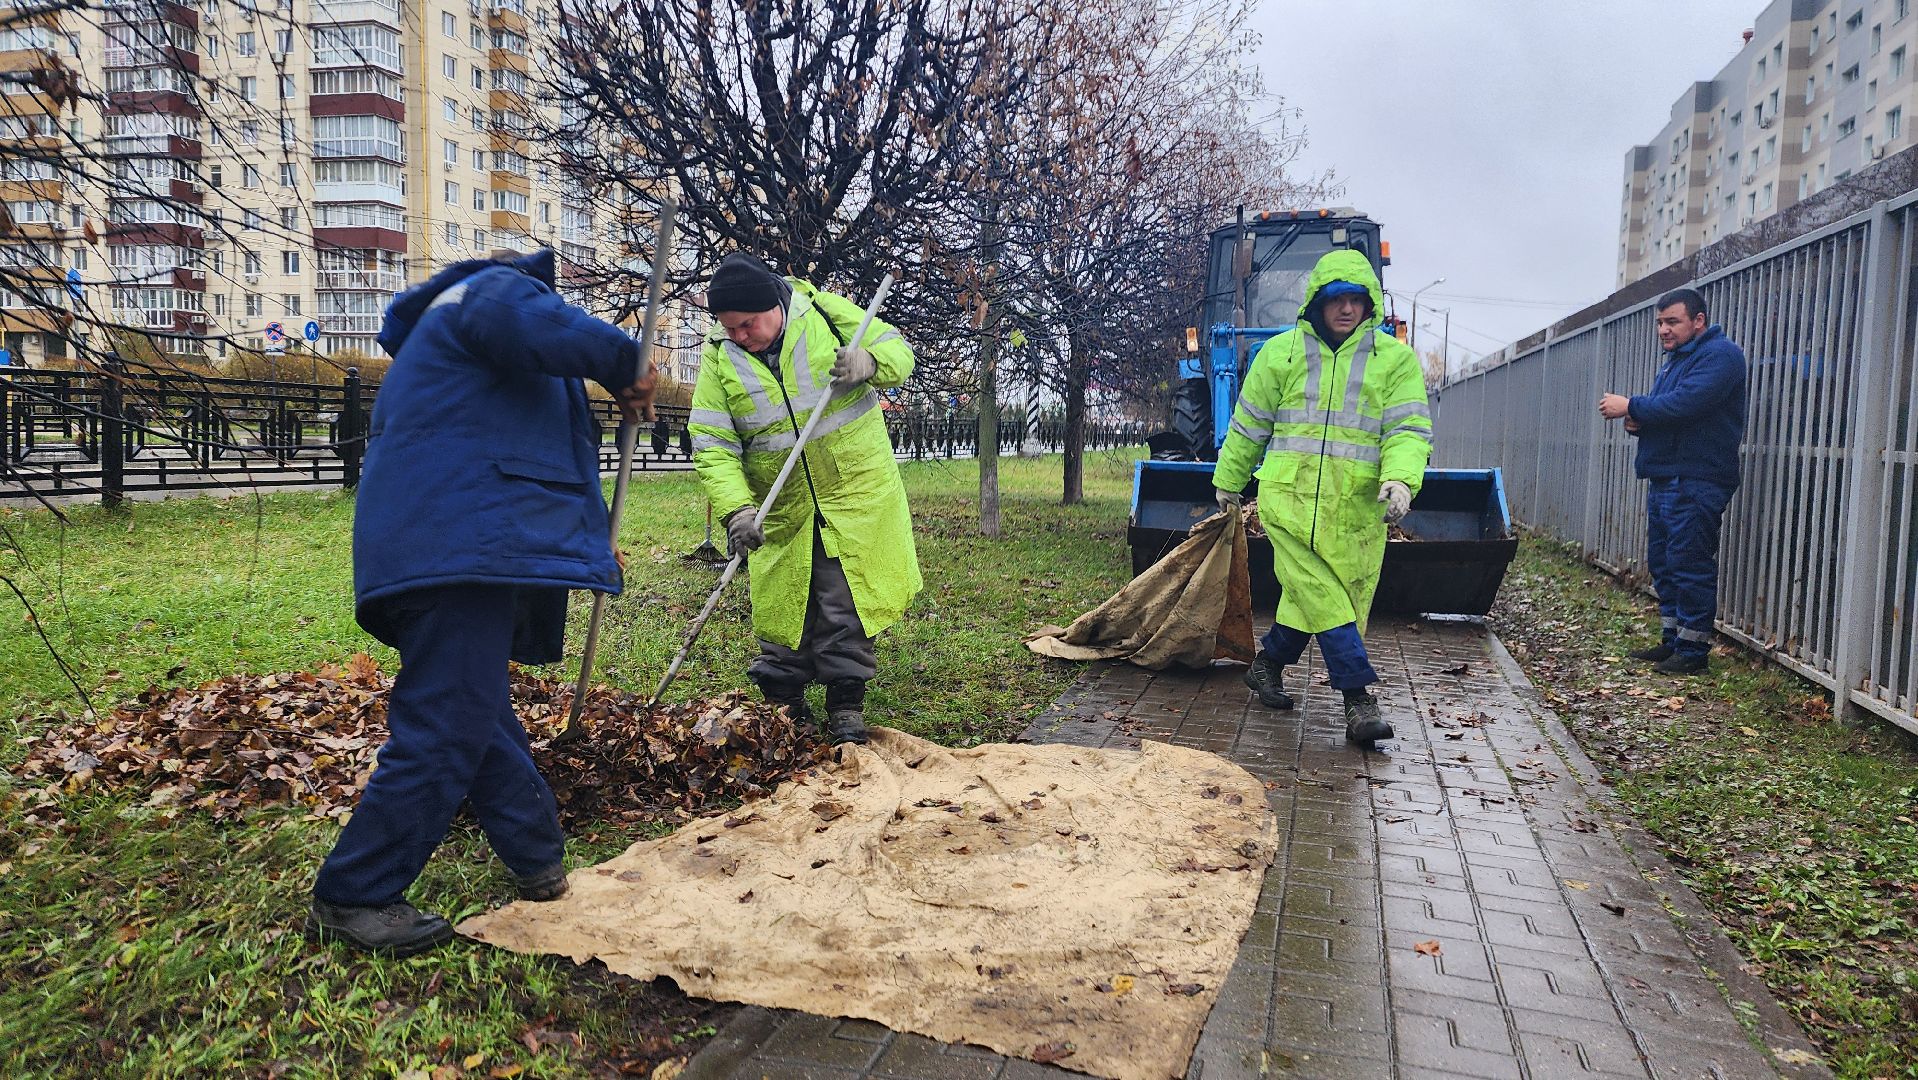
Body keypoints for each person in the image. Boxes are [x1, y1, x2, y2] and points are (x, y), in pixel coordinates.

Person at [306, 248, 656, 956]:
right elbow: (543, 328)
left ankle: (537, 859)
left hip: (445, 544)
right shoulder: (492, 293)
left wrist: (587, 540)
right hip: (453, 550)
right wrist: (626, 365)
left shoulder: (456, 345)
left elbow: (517, 460)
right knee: (447, 722)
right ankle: (355, 891)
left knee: (479, 713)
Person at [686, 252, 921, 746]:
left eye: (747, 324)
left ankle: (845, 705)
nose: (739, 337)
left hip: (852, 492)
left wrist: (870, 362)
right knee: (783, 603)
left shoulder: (828, 315)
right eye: (730, 328)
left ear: (773, 304)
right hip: (780, 506)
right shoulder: (718, 358)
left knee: (844, 598)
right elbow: (712, 445)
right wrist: (737, 510)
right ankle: (784, 700)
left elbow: (899, 354)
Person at [1212, 250, 1432, 746]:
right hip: (1287, 504)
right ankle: (1358, 700)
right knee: (1331, 605)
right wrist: (1229, 481)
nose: (1347, 310)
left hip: (1355, 512)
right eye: (1337, 300)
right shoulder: (1281, 355)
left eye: (1356, 300)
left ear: (1369, 304)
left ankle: (1266, 666)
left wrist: (1401, 479)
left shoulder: (1394, 361)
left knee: (1329, 602)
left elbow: (1408, 430)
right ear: (1316, 303)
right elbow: (1248, 426)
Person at [1599, 286, 1746, 675]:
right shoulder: (1677, 359)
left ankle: (1693, 653)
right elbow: (1668, 412)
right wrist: (1639, 420)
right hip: (1669, 476)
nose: (1663, 330)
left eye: (1672, 321)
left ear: (1698, 321)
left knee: (1689, 562)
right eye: (1660, 323)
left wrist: (1631, 406)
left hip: (1696, 478)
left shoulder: (1720, 356)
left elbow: (1686, 404)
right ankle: (1673, 641)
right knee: (1665, 562)